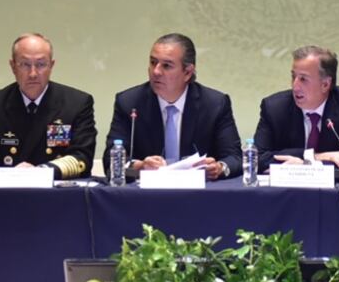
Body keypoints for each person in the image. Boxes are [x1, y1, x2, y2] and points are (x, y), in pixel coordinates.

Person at [0, 33, 96, 179]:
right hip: (9, 194)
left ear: (51, 66)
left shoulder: (77, 103)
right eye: (25, 64)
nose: (33, 73)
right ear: (13, 66)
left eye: (41, 64)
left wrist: (41, 171)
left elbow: (82, 157)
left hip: (57, 194)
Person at [102, 33, 241, 179]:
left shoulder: (215, 104)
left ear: (187, 72)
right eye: (153, 62)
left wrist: (219, 168)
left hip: (198, 195)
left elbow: (235, 158)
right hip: (146, 196)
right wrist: (140, 166)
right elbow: (110, 161)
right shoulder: (129, 102)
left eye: (166, 66)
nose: (156, 71)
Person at [253, 45, 339, 178]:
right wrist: (312, 157)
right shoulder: (275, 108)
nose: (295, 86)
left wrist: (309, 165)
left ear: (325, 85)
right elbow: (256, 159)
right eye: (293, 77)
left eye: (303, 79)